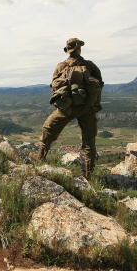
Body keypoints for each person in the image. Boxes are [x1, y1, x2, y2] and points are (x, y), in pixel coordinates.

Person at [34, 38, 103, 178]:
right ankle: (89, 174)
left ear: (68, 50)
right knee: (89, 141)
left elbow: (54, 86)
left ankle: (40, 158)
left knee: (48, 128)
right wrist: (92, 104)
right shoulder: (90, 66)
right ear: (79, 49)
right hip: (87, 108)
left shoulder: (61, 66)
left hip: (66, 108)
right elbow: (99, 84)